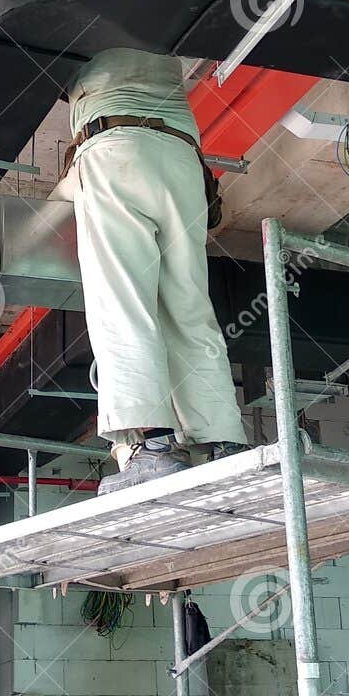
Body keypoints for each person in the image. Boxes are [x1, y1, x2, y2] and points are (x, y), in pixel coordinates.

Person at [63, 48, 248, 492]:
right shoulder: (160, 19)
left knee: (123, 302)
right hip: (182, 157)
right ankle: (223, 442)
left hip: (114, 150)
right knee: (189, 309)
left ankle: (151, 446)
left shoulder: (75, 14)